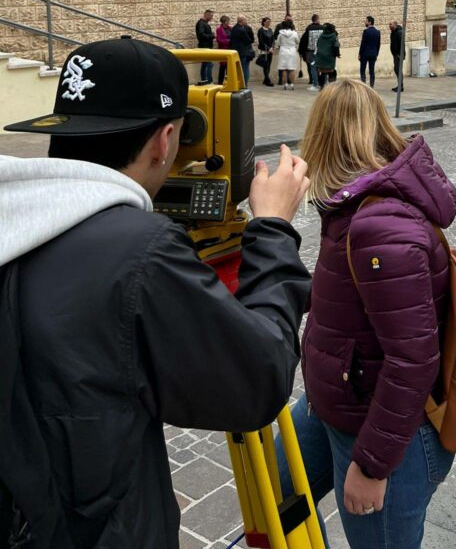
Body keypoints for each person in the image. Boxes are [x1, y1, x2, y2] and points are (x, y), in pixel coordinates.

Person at [0, 38, 311, 549]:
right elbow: (257, 379)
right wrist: (274, 228)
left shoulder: (19, 217)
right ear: (166, 139)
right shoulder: (138, 253)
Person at [278, 79, 456, 549]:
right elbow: (342, 295)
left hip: (387, 435)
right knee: (279, 490)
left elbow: (414, 358)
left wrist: (373, 465)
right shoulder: (351, 207)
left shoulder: (379, 224)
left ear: (322, 137)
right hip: (332, 406)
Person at [299, 14, 324, 91]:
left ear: (312, 20)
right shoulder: (323, 28)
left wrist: (302, 51)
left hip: (311, 51)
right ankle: (323, 83)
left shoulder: (309, 29)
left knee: (313, 68)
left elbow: (304, 40)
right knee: (322, 68)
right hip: (321, 51)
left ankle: (315, 84)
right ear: (318, 19)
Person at [275, 19, 301, 90]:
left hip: (283, 51)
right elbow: (297, 41)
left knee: (284, 69)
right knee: (292, 68)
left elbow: (278, 43)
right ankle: (292, 84)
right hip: (292, 51)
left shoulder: (281, 34)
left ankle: (285, 84)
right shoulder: (294, 33)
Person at [230, 14, 255, 84]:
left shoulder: (234, 28)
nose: (246, 21)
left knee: (238, 69)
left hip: (235, 51)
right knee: (245, 69)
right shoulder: (242, 30)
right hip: (243, 52)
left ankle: (239, 83)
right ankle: (244, 84)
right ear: (242, 21)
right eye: (245, 20)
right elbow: (248, 41)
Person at [315, 22, 341, 88]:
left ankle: (321, 86)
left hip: (320, 57)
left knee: (323, 72)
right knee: (332, 71)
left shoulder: (321, 35)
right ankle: (332, 86)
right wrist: (337, 54)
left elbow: (318, 44)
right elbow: (336, 46)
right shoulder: (334, 36)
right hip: (330, 57)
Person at [359, 16, 381, 88]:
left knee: (363, 69)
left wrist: (360, 53)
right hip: (373, 54)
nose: (365, 22)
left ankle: (363, 85)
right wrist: (376, 53)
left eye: (366, 21)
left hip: (365, 53)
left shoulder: (366, 31)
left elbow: (363, 43)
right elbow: (378, 44)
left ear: (370, 22)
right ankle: (372, 85)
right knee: (372, 70)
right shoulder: (378, 32)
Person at [274, 14, 294, 86]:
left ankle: (288, 80)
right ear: (285, 19)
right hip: (282, 47)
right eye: (288, 19)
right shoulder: (279, 26)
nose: (289, 21)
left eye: (290, 19)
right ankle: (280, 79)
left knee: (289, 64)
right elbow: (275, 35)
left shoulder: (292, 26)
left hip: (289, 48)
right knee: (282, 64)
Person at [195, 8, 214, 83]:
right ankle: (207, 81)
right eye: (211, 16)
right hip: (204, 47)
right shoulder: (201, 23)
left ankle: (207, 80)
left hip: (207, 46)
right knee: (207, 65)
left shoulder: (204, 23)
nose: (212, 18)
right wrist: (211, 36)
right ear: (207, 15)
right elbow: (201, 35)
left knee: (207, 64)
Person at [257, 16, 275, 86]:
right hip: (264, 50)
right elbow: (261, 41)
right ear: (264, 22)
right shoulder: (261, 30)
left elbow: (273, 39)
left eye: (269, 22)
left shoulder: (270, 30)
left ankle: (266, 79)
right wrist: (268, 48)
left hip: (270, 51)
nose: (269, 23)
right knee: (265, 65)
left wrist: (272, 47)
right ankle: (268, 80)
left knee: (269, 65)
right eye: (267, 22)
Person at [215, 13, 232, 85]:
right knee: (223, 67)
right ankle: (220, 82)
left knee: (229, 67)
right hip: (223, 50)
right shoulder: (219, 29)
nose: (228, 23)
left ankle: (229, 82)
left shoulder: (230, 28)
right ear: (223, 22)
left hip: (230, 49)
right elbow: (219, 40)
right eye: (227, 21)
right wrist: (229, 41)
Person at [389, 20, 405, 92]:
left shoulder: (399, 33)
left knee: (398, 70)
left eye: (391, 24)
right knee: (397, 69)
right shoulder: (393, 32)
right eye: (389, 24)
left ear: (395, 25)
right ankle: (400, 85)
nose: (389, 26)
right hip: (395, 54)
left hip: (398, 55)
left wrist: (400, 54)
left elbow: (402, 45)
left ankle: (400, 86)